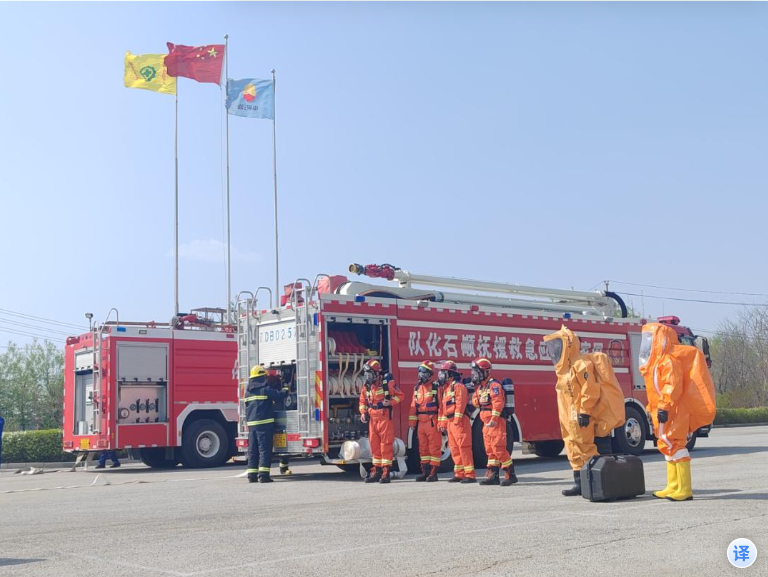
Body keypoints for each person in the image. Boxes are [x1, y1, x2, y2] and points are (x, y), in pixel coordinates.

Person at [543, 326, 625, 497]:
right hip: (568, 417)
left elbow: (590, 389)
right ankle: (580, 484)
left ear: (568, 345)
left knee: (586, 447)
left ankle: (596, 483)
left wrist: (584, 412)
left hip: (580, 415)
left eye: (558, 346)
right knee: (572, 447)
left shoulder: (581, 364)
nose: (555, 351)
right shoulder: (563, 371)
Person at [639, 322, 715, 502]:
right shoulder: (655, 364)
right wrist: (653, 408)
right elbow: (654, 391)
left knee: (676, 445)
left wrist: (664, 406)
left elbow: (673, 386)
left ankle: (685, 489)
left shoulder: (668, 361)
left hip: (673, 409)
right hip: (663, 409)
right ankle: (673, 485)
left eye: (651, 339)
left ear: (660, 339)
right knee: (667, 445)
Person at [470, 358, 517, 486]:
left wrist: (494, 420)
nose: (474, 375)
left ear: (485, 372)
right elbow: (475, 402)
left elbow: (498, 403)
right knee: (490, 450)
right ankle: (493, 476)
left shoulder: (494, 386)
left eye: (476, 372)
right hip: (486, 423)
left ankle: (511, 474)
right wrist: (478, 398)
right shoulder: (481, 387)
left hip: (495, 423)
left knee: (499, 448)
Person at [359, 359, 402, 483]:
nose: (367, 377)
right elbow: (362, 401)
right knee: (374, 445)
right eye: (366, 374)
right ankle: (376, 471)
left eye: (370, 374)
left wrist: (390, 402)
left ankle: (386, 472)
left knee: (385, 445)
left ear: (376, 373)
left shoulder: (387, 383)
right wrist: (363, 413)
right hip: (372, 419)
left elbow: (400, 396)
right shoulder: (367, 386)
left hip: (384, 418)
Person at [245, 365, 289, 483]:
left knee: (253, 451)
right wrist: (286, 388)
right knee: (264, 450)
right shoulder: (265, 390)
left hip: (252, 427)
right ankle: (264, 476)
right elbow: (279, 396)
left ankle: (252, 475)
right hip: (264, 426)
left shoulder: (248, 393)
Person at [436, 360, 475, 483]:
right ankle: (459, 473)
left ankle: (470, 475)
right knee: (454, 448)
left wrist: (457, 420)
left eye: (444, 373)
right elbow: (443, 409)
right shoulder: (446, 389)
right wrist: (442, 423)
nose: (441, 376)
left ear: (451, 375)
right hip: (451, 423)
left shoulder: (458, 386)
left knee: (464, 447)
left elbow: (460, 404)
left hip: (460, 422)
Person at [408, 361, 441, 482]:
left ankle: (433, 472)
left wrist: (441, 422)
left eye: (424, 373)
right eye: (420, 373)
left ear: (429, 374)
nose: (421, 375)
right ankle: (425, 471)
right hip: (421, 423)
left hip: (432, 421)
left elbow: (441, 406)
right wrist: (412, 422)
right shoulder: (417, 388)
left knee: (434, 447)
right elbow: (413, 406)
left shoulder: (435, 387)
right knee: (423, 448)